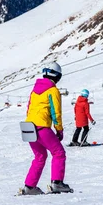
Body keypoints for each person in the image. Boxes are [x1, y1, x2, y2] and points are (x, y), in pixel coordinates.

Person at [19, 63, 71, 195]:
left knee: (40, 155)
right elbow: (56, 112)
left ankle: (29, 187)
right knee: (59, 153)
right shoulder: (52, 90)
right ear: (57, 76)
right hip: (41, 126)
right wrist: (59, 130)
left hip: (28, 126)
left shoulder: (34, 90)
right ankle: (57, 183)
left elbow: (29, 107)